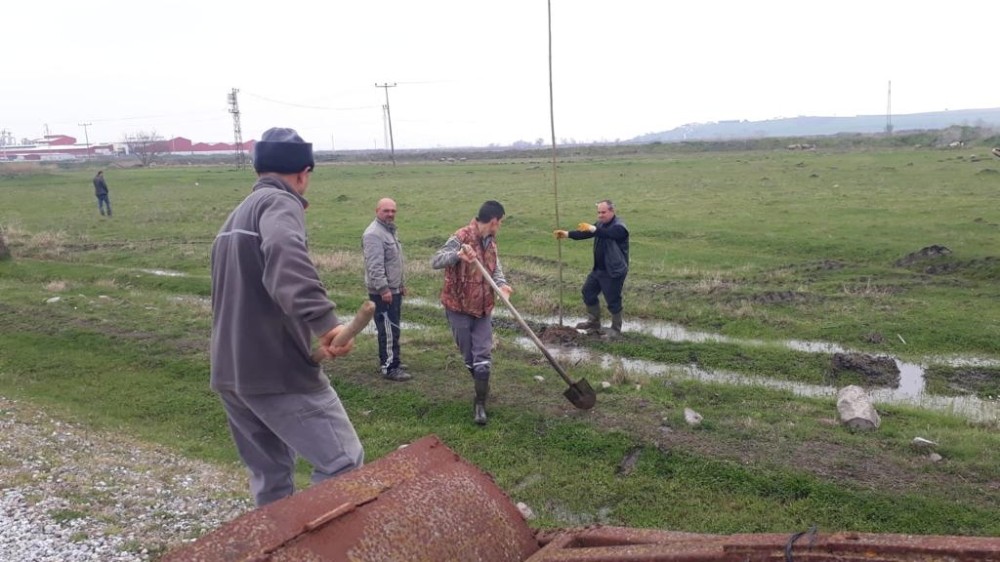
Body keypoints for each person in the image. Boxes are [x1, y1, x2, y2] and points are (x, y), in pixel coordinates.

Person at [210, 127, 363, 507]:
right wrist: (326, 323)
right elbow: (283, 252)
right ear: (302, 173)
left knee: (272, 480)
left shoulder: (231, 222)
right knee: (343, 462)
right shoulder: (280, 204)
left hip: (231, 372)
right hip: (275, 370)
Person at [431, 200, 513, 425]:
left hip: (484, 308)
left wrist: (502, 285)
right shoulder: (461, 237)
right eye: (501, 223)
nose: (500, 227)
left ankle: (480, 403)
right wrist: (458, 255)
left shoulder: (491, 242)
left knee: (483, 355)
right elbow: (435, 260)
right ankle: (481, 386)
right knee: (470, 357)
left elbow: (495, 268)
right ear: (494, 221)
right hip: (459, 307)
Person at [554, 199, 630, 338]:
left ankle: (616, 330)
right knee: (588, 291)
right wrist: (567, 234)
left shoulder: (620, 227)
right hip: (599, 269)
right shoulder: (601, 224)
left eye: (604, 212)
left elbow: (609, 234)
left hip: (613, 271)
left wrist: (594, 229)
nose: (600, 215)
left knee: (613, 300)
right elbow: (587, 233)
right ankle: (594, 322)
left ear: (612, 211)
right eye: (598, 212)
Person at [362, 197, 411, 382]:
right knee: (388, 329)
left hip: (393, 289)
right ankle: (389, 367)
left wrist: (400, 285)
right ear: (377, 211)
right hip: (383, 292)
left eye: (393, 211)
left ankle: (393, 360)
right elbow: (375, 266)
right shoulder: (373, 234)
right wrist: (384, 289)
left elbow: (394, 262)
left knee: (393, 328)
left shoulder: (389, 231)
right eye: (386, 211)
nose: (390, 214)